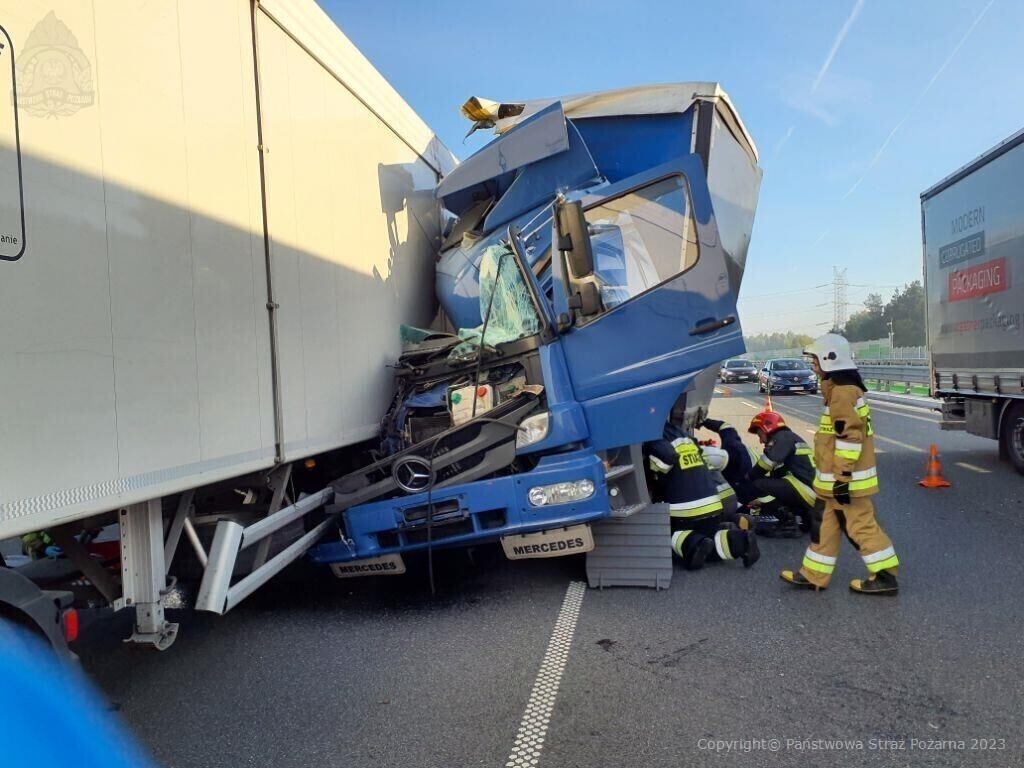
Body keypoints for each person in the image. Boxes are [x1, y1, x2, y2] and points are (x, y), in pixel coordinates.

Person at [780, 333, 900, 595]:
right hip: (832, 481)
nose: (812, 364)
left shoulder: (843, 393)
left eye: (815, 359)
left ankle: (884, 577)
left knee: (860, 527)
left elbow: (849, 438)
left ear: (829, 359)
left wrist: (843, 479)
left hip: (845, 482)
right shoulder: (837, 389)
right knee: (823, 527)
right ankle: (813, 575)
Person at [645, 423, 759, 570]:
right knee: (712, 536)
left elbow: (666, 457)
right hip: (713, 505)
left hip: (685, 509)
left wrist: (654, 475)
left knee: (665, 532)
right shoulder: (684, 436)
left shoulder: (653, 435)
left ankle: (694, 545)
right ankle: (743, 543)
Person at [744, 411, 818, 537]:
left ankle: (788, 521)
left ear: (767, 428)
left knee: (758, 483)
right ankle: (803, 518)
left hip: (806, 490)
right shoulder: (790, 438)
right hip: (812, 491)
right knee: (773, 482)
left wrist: (749, 477)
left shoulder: (783, 437)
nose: (761, 441)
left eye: (759, 434)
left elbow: (765, 464)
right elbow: (777, 475)